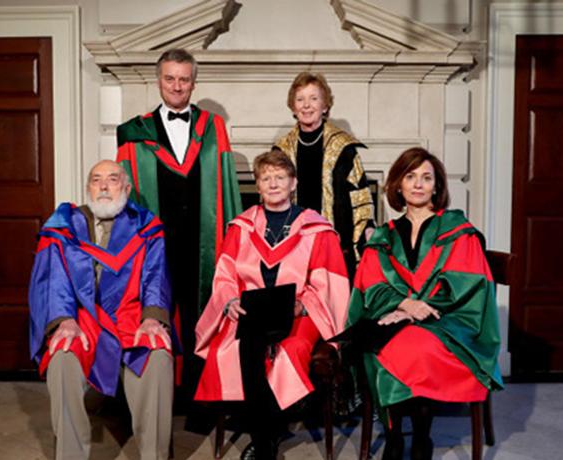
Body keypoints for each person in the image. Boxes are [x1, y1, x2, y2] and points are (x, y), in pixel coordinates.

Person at [346, 148, 503, 460]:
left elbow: (466, 284)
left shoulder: (458, 231)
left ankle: (419, 436)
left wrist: (420, 309)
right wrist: (404, 305)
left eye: (426, 177)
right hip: (393, 316)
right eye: (410, 176)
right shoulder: (383, 236)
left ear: (437, 187)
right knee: (386, 340)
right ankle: (394, 434)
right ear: (398, 186)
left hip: (448, 321)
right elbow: (371, 285)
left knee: (414, 344)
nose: (418, 184)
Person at [193, 151, 350, 459]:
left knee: (287, 352)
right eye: (266, 178)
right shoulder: (242, 227)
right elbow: (225, 275)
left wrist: (302, 306)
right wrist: (229, 301)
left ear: (294, 183)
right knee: (245, 347)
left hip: (298, 311)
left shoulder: (316, 228)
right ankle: (265, 438)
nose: (273, 184)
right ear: (258, 186)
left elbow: (327, 283)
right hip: (252, 307)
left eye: (280, 177)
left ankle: (266, 436)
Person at [115, 48, 242, 420]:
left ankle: (201, 398)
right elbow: (125, 195)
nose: (177, 85)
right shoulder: (134, 132)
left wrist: (234, 239)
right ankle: (159, 397)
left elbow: (229, 187)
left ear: (193, 82)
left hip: (205, 239)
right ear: (159, 81)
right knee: (158, 308)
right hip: (155, 242)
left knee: (201, 311)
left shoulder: (213, 127)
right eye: (170, 78)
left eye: (184, 79)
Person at [29, 160, 174, 459]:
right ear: (88, 188)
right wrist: (64, 320)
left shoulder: (146, 225)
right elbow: (53, 278)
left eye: (112, 179)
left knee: (158, 354)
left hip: (131, 316)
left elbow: (155, 275)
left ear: (127, 187)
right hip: (85, 318)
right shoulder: (63, 225)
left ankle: (155, 456)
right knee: (63, 355)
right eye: (96, 180)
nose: (104, 186)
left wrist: (152, 318)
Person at [274, 71, 375, 279]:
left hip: (336, 246)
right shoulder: (281, 149)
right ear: (293, 107)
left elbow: (360, 198)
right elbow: (270, 197)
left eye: (314, 98)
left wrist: (366, 231)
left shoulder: (344, 148)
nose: (307, 105)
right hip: (293, 246)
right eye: (300, 99)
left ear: (325, 106)